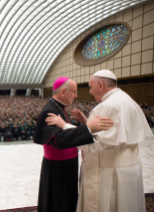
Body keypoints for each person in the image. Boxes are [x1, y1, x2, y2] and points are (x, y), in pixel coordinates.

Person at [46, 70, 154, 212]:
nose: (90, 92)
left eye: (91, 87)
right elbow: (109, 134)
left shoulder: (107, 106)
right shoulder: (126, 99)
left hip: (109, 173)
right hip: (128, 170)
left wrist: (64, 125)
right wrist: (86, 121)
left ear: (101, 85)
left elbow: (93, 144)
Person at [34, 76, 113, 212]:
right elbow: (59, 140)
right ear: (63, 92)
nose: (76, 96)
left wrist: (83, 123)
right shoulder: (50, 110)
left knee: (68, 200)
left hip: (65, 165)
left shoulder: (58, 107)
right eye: (74, 92)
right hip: (58, 168)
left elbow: (66, 130)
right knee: (59, 203)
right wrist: (87, 127)